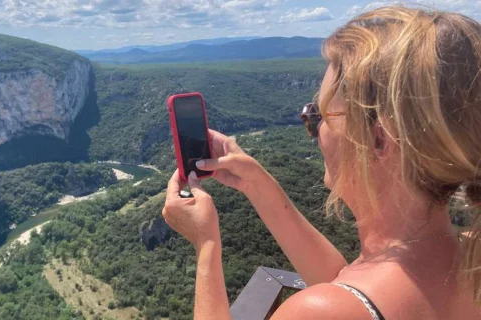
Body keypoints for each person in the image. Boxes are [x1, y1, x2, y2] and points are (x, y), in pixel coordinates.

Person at [162, 6, 481, 320]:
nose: (313, 130)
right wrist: (256, 183)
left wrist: (206, 246)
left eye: (318, 115)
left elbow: (342, 300)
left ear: (378, 139)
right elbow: (344, 281)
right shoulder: (470, 259)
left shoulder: (320, 312)